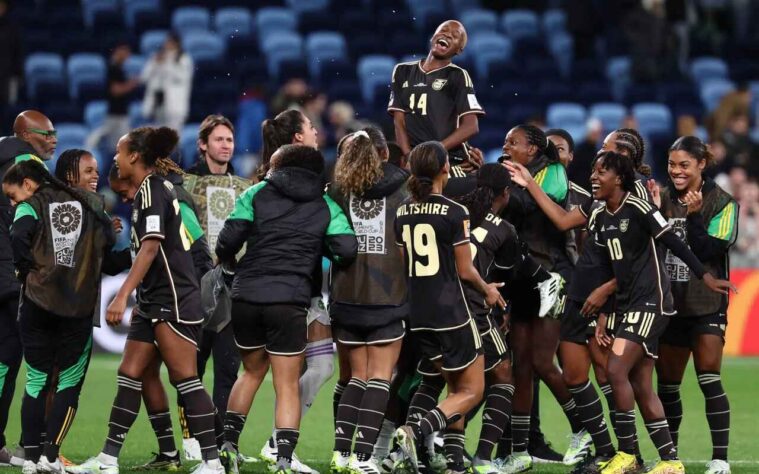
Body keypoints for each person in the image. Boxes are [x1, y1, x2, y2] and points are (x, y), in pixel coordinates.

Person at [69, 127, 223, 474]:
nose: (115, 159)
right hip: (153, 300)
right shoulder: (147, 193)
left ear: (134, 157)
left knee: (185, 378)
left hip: (173, 299)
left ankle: (212, 462)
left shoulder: (153, 189)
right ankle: (109, 460)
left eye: (119, 153)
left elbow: (151, 247)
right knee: (130, 372)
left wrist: (121, 296)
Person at [588, 151, 734, 474]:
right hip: (626, 305)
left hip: (652, 303)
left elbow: (674, 242)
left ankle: (627, 455)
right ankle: (670, 460)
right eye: (593, 171)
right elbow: (606, 268)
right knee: (642, 383)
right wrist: (603, 314)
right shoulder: (599, 215)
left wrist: (705, 275)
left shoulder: (640, 208)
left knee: (615, 371)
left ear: (620, 178)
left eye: (601, 172)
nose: (594, 177)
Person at [215, 145, 357, 474]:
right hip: (290, 300)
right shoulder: (325, 204)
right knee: (287, 384)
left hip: (247, 295)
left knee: (250, 373)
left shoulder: (257, 192)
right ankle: (282, 460)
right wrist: (317, 242)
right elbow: (347, 250)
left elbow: (226, 243)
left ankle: (228, 446)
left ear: (280, 164)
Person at [392, 141, 504, 474]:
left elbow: (404, 266)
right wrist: (487, 291)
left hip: (418, 315)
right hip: (452, 313)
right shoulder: (457, 212)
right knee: (472, 390)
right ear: (445, 168)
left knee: (452, 385)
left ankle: (436, 459)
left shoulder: (402, 211)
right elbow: (466, 269)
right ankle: (414, 432)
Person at [3, 159, 115, 474]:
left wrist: (30, 272)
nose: (13, 203)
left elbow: (17, 237)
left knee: (37, 380)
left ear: (27, 184)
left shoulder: (33, 205)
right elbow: (111, 249)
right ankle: (50, 457)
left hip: (38, 305)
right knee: (68, 380)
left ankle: (30, 457)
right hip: (76, 308)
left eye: (13, 196)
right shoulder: (93, 204)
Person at [498, 125, 588, 473]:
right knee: (521, 364)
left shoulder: (554, 172)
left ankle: (583, 428)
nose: (506, 147)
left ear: (534, 149)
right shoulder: (512, 173)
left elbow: (540, 207)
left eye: (513, 142)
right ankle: (519, 453)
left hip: (552, 279)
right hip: (520, 278)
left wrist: (519, 184)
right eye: (505, 142)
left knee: (542, 361)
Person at [253, 110, 332, 473]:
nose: (316, 131)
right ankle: (277, 446)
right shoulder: (306, 181)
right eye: (310, 127)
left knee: (317, 367)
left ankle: (272, 443)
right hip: (295, 290)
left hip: (296, 287)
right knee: (282, 373)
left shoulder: (268, 179)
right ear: (298, 138)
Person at [327, 128, 408, 474]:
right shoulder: (405, 191)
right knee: (379, 377)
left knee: (355, 377)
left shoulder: (337, 192)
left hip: (346, 297)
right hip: (388, 296)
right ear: (384, 154)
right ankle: (363, 459)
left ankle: (340, 454)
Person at [655, 136, 738, 474]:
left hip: (706, 303)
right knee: (669, 384)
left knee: (708, 377)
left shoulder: (722, 202)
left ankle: (720, 459)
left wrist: (693, 217)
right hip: (670, 303)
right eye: (672, 165)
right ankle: (670, 457)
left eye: (684, 165)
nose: (676, 171)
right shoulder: (659, 199)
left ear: (701, 164)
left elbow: (709, 253)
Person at [178, 115, 250, 461]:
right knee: (190, 368)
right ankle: (192, 437)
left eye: (230, 140)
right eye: (219, 139)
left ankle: (222, 440)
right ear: (203, 144)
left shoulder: (245, 186)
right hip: (195, 287)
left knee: (227, 370)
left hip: (234, 290)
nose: (226, 145)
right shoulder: (185, 183)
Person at [0, 110, 57, 466]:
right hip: (12, 274)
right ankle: (34, 445)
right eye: (46, 133)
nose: (53, 139)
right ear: (23, 133)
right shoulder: (27, 163)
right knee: (37, 361)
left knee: (3, 361)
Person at [388, 20, 484, 166]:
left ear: (459, 49)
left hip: (449, 159)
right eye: (443, 30)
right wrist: (409, 156)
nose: (448, 34)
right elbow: (399, 121)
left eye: (455, 35)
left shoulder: (457, 75)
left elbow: (471, 126)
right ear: (433, 36)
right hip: (413, 158)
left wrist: (434, 151)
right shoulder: (402, 71)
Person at [86, 42, 139, 152]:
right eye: (126, 51)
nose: (128, 55)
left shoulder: (120, 68)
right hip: (116, 115)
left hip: (120, 113)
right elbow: (115, 90)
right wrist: (132, 84)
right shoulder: (113, 68)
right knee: (119, 147)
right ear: (119, 51)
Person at [141, 32, 193, 131]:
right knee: (158, 135)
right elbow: (144, 77)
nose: (167, 44)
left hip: (175, 105)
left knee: (173, 135)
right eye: (167, 42)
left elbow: (182, 78)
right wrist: (154, 63)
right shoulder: (157, 57)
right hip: (158, 103)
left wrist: (167, 64)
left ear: (177, 44)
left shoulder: (184, 59)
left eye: (171, 42)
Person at [255, 109, 319, 181]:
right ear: (299, 136)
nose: (315, 132)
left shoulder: (273, 177)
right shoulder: (301, 178)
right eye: (311, 127)